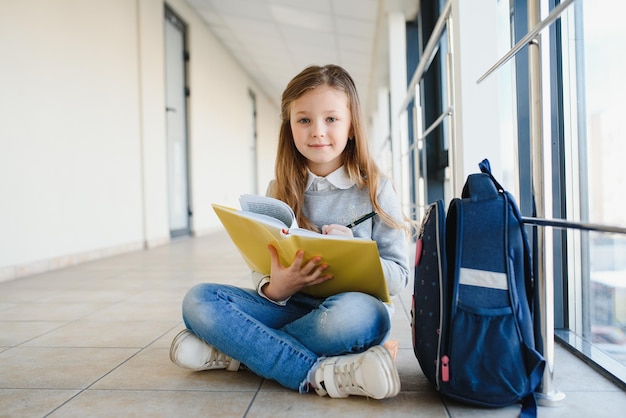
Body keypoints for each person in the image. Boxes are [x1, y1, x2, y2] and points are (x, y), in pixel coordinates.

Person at [170, 64, 411, 399]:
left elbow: (400, 276)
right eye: (304, 120)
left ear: (352, 126)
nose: (317, 131)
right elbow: (262, 263)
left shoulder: (375, 190)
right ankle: (319, 373)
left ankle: (237, 352)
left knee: (355, 317)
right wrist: (273, 289)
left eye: (331, 119)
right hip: (292, 306)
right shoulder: (279, 188)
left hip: (350, 310)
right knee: (198, 301)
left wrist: (357, 249)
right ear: (290, 128)